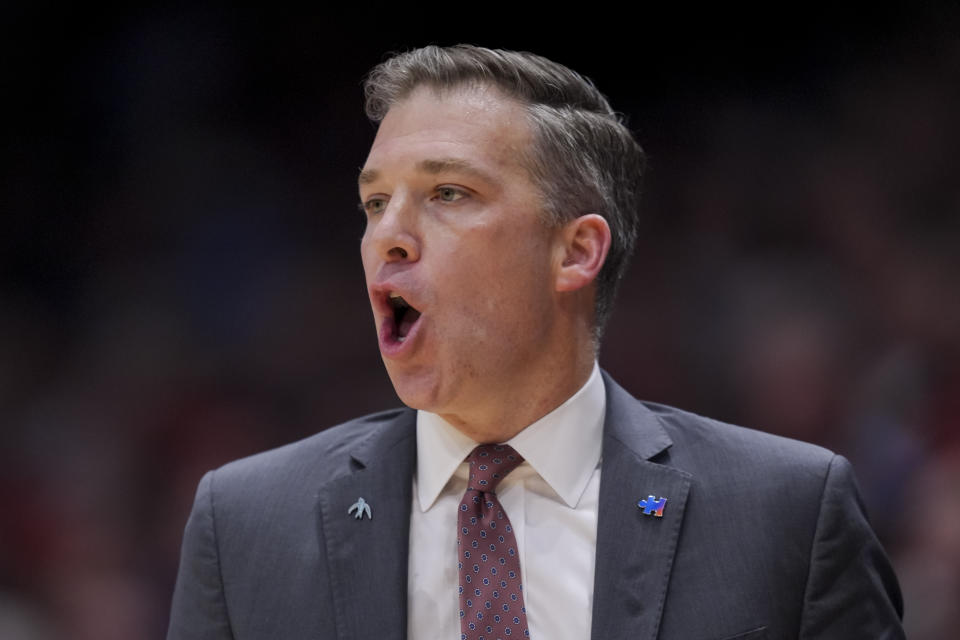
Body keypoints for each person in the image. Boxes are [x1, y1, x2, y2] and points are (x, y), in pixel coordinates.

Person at [167, 45, 904, 639]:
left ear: (576, 252)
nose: (387, 235)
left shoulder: (788, 514)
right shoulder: (246, 526)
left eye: (448, 193)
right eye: (374, 201)